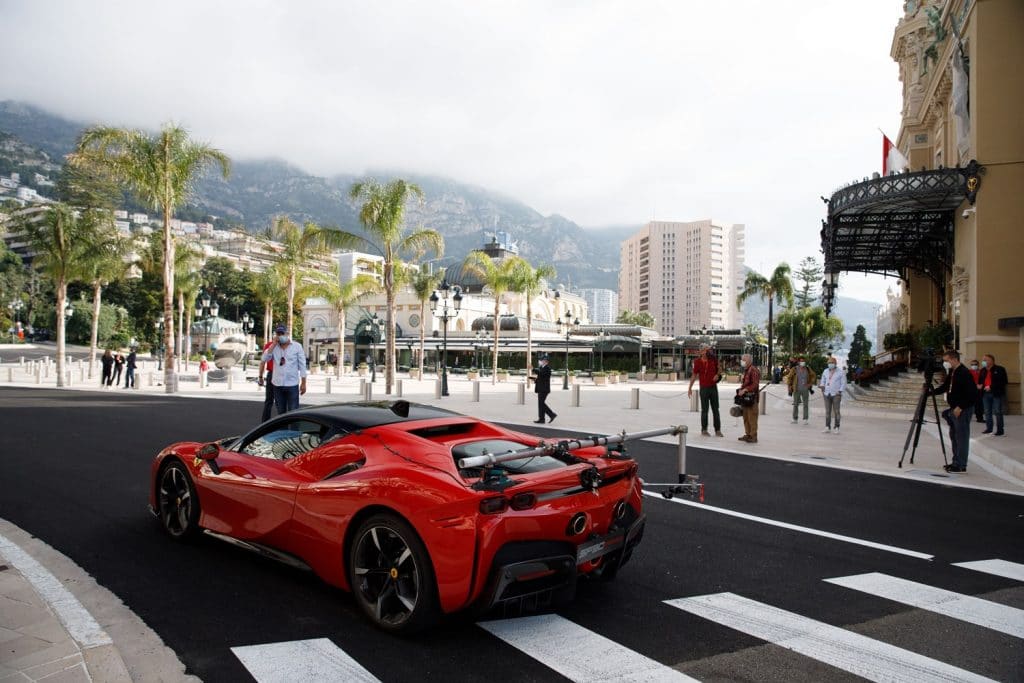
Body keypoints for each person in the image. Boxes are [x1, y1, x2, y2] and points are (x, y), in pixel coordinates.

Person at [927, 350, 978, 473]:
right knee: (954, 436)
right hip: (954, 408)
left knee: (961, 437)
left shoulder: (964, 372)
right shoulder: (953, 372)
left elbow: (972, 394)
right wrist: (930, 393)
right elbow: (946, 387)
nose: (945, 363)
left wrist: (960, 407)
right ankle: (956, 462)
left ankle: (961, 464)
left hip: (962, 409)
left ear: (954, 359)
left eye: (946, 360)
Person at [261, 324, 307, 414]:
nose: (280, 336)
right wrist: (273, 344)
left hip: (292, 384)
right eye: (278, 333)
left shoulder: (297, 346)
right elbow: (264, 359)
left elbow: (302, 365)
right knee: (281, 413)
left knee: (294, 412)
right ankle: (284, 428)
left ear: (287, 333)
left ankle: (293, 429)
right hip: (277, 385)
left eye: (282, 333)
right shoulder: (274, 347)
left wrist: (304, 383)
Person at [687, 345, 723, 437]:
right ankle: (704, 430)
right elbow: (694, 375)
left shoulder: (713, 359)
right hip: (703, 388)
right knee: (704, 410)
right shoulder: (697, 362)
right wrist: (689, 388)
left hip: (713, 388)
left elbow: (720, 368)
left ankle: (718, 430)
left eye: (707, 350)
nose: (706, 352)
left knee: (716, 410)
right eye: (703, 350)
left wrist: (717, 375)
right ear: (700, 352)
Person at [978, 353, 1007, 436]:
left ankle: (1000, 430)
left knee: (998, 412)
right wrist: (980, 386)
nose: (983, 361)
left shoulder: (1000, 369)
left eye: (985, 360)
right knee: (987, 412)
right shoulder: (983, 370)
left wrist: (991, 387)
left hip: (996, 393)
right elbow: (981, 382)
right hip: (985, 394)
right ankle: (989, 428)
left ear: (991, 361)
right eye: (983, 360)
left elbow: (1003, 382)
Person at [819, 356, 846, 434]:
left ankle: (837, 427)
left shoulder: (840, 372)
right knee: (827, 411)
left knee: (837, 411)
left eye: (832, 363)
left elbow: (843, 383)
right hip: (827, 393)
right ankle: (827, 427)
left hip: (836, 394)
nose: (830, 364)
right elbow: (823, 380)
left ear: (835, 363)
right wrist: (822, 386)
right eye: (829, 363)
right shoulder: (825, 371)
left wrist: (840, 391)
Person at [737, 353, 761, 443]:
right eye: (742, 359)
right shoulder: (747, 370)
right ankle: (748, 434)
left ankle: (753, 436)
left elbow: (755, 384)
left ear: (749, 361)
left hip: (752, 398)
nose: (742, 361)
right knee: (746, 417)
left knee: (752, 418)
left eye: (744, 360)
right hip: (745, 398)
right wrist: (741, 389)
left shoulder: (753, 370)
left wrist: (745, 389)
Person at [786, 356, 816, 425]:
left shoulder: (808, 369)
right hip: (796, 389)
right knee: (796, 404)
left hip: (805, 389)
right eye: (801, 361)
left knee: (806, 405)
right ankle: (795, 418)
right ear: (799, 362)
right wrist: (789, 386)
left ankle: (805, 419)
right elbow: (789, 378)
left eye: (804, 361)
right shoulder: (794, 369)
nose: (802, 362)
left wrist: (810, 383)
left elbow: (813, 376)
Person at [529, 354, 557, 424]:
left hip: (544, 389)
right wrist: (534, 379)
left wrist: (533, 369)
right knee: (540, 404)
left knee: (541, 403)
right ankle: (542, 419)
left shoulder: (547, 369)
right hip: (541, 388)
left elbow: (542, 374)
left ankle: (552, 414)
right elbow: (541, 378)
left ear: (546, 361)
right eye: (540, 360)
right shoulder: (542, 368)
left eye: (542, 360)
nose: (540, 361)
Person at [257, 339, 276, 422]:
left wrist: (261, 376)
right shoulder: (285, 346)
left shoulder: (269, 345)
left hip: (271, 375)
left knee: (268, 401)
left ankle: (264, 422)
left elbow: (262, 362)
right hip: (279, 375)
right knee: (281, 402)